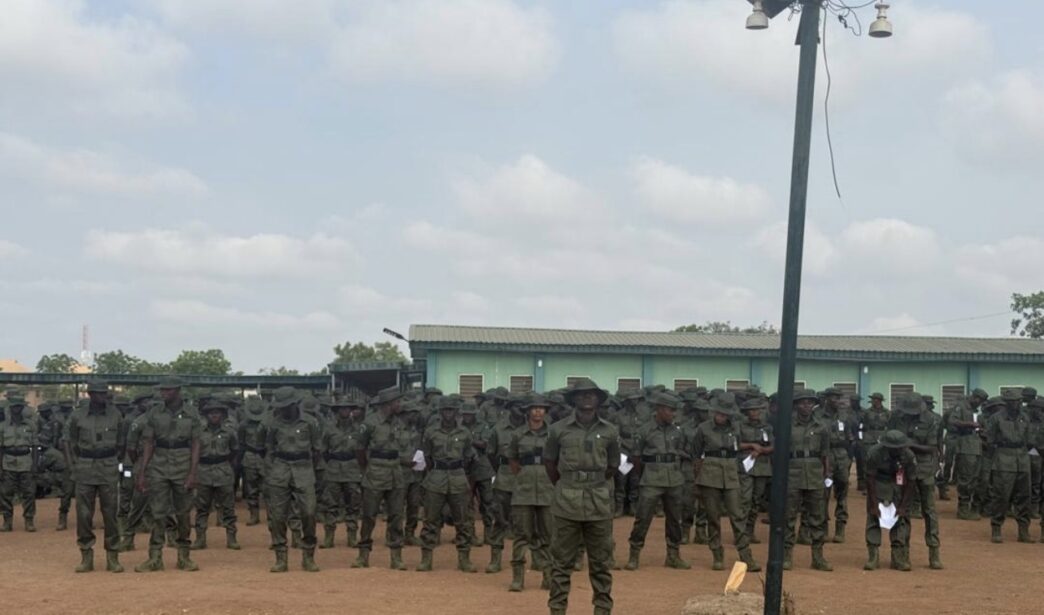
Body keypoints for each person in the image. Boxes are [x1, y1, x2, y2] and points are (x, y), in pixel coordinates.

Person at [544, 378, 620, 615]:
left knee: (601, 563)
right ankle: (557, 609)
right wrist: (569, 483)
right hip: (566, 501)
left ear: (598, 399)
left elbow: (613, 465)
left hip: (599, 501)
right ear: (573, 399)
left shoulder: (610, 430)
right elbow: (549, 463)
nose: (587, 398)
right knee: (561, 563)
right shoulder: (558, 430)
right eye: (581, 394)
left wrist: (593, 481)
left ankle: (602, 609)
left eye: (591, 394)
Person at [134, 376, 202, 573]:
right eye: (162, 390)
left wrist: (193, 472)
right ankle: (155, 557)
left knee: (183, 513)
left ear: (178, 390)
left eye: (168, 390)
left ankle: (184, 556)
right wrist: (142, 471)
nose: (163, 393)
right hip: (159, 465)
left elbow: (196, 444)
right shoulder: (154, 413)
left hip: (183, 464)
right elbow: (148, 442)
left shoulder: (192, 413)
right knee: (158, 513)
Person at [690, 393, 760, 572]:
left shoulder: (735, 428)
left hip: (730, 473)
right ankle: (717, 554)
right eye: (720, 413)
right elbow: (696, 455)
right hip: (710, 474)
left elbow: (737, 448)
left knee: (737, 515)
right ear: (714, 412)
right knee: (713, 517)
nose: (722, 416)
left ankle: (746, 555)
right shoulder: (703, 428)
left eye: (725, 414)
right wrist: (697, 480)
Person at [623, 391, 691, 571]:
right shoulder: (644, 430)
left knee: (675, 519)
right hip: (651, 478)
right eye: (670, 410)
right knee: (643, 517)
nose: (673, 414)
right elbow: (636, 458)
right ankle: (634, 554)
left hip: (674, 479)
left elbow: (681, 451)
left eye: (674, 410)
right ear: (660, 409)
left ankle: (673, 555)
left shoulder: (677, 431)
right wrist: (643, 476)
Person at [63, 380, 126, 573]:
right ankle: (86, 555)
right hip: (85, 467)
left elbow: (121, 443)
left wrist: (113, 461)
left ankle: (112, 556)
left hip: (108, 466)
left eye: (105, 393)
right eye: (99, 393)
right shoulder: (78, 415)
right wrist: (74, 465)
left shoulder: (115, 415)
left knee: (111, 513)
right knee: (83, 514)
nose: (103, 396)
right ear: (90, 394)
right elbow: (69, 442)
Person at [416, 395, 477, 573]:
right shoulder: (431, 432)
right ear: (440, 412)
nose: (448, 413)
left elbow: (469, 457)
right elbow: (427, 456)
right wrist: (436, 470)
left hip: (458, 477)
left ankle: (464, 559)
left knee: (463, 521)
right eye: (445, 410)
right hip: (436, 477)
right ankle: (426, 559)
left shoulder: (465, 433)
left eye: (451, 410)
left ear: (457, 412)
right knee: (430, 520)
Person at [354, 386, 412, 570]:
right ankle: (363, 555)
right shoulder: (370, 423)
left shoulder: (399, 423)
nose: (400, 405)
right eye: (397, 402)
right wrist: (366, 469)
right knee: (369, 515)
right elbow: (360, 449)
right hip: (375, 472)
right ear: (388, 403)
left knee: (396, 515)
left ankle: (396, 557)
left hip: (395, 472)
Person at [264, 387, 321, 572]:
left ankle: (308, 556)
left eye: (286, 406)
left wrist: (312, 472)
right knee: (278, 516)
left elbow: (317, 450)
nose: (283, 409)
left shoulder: (310, 422)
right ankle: (281, 557)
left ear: (295, 404)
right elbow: (269, 449)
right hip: (280, 469)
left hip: (304, 469)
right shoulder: (273, 424)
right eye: (281, 407)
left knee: (309, 512)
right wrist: (271, 472)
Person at [887, 392, 943, 569]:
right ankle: (901, 553)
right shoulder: (896, 418)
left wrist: (909, 445)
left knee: (929, 511)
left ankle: (934, 552)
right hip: (902, 467)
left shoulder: (931, 420)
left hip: (924, 468)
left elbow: (932, 448)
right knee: (901, 509)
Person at [507, 393, 554, 592]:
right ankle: (518, 578)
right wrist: (524, 475)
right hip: (524, 491)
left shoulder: (553, 434)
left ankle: (549, 576)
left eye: (541, 408)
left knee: (549, 536)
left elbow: (558, 460)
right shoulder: (518, 434)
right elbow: (512, 460)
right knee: (521, 535)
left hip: (547, 489)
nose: (537, 412)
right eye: (534, 408)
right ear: (527, 411)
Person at [783, 388, 832, 571]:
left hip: (814, 474)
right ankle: (786, 556)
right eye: (803, 402)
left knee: (818, 517)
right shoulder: (787, 425)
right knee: (789, 517)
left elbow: (825, 453)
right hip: (793, 473)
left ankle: (818, 557)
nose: (806, 406)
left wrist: (827, 474)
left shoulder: (821, 426)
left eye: (810, 402)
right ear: (796, 405)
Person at [862, 429, 917, 571]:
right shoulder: (874, 453)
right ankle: (873, 557)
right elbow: (870, 478)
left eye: (900, 447)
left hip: (898, 485)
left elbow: (911, 481)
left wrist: (903, 506)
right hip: (879, 483)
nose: (898, 450)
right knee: (874, 518)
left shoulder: (908, 456)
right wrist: (873, 504)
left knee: (899, 520)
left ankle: (898, 557)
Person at [191, 401, 240, 551]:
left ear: (222, 415)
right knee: (202, 508)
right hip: (204, 471)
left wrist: (226, 464)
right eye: (211, 413)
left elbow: (235, 451)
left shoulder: (229, 432)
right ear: (206, 415)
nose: (214, 415)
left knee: (228, 508)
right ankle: (200, 539)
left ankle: (231, 538)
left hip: (223, 471)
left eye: (217, 413)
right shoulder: (198, 432)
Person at [486, 393, 526, 574]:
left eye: (524, 407)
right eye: (518, 407)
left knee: (530, 522)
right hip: (504, 478)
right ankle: (495, 559)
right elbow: (491, 454)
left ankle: (534, 559)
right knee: (500, 520)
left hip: (527, 479)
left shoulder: (533, 428)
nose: (521, 410)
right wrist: (502, 469)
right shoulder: (499, 429)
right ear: (510, 408)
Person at [985, 393, 1032, 543]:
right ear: (1006, 402)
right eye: (1012, 401)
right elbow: (989, 440)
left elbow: (1030, 440)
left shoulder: (1025, 417)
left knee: (1024, 496)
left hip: (1022, 459)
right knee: (1002, 496)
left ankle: (1023, 531)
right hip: (1003, 458)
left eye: (1018, 401)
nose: (1016, 404)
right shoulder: (996, 418)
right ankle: (996, 527)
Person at [320, 395, 365, 549]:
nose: (345, 410)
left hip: (352, 469)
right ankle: (329, 537)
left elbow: (363, 450)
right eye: (342, 408)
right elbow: (323, 450)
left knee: (353, 505)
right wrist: (331, 462)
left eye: (347, 408)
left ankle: (352, 536)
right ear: (337, 410)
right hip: (334, 469)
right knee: (331, 504)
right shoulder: (329, 428)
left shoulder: (359, 429)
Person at [815, 387, 854, 543]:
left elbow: (850, 436)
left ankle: (840, 528)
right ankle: (823, 527)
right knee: (823, 493)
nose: (837, 401)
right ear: (826, 398)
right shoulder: (817, 415)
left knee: (842, 493)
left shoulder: (844, 415)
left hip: (841, 456)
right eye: (834, 398)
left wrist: (849, 457)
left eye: (839, 398)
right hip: (825, 456)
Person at [0, 394, 39, 532]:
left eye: (19, 406)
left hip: (25, 461)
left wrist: (35, 465)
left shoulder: (30, 425)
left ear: (22, 408)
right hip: (8, 462)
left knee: (29, 493)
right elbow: (1, 448)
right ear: (10, 408)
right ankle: (7, 521)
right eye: (14, 406)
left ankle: (29, 520)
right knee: (6, 493)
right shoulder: (3, 426)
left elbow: (35, 446)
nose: (16, 409)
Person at [737, 396, 773, 544]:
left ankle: (750, 531)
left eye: (757, 410)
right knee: (744, 500)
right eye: (752, 410)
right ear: (746, 412)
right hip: (745, 465)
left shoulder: (767, 427)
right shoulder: (740, 426)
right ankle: (740, 533)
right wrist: (751, 445)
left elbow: (773, 445)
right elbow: (735, 444)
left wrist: (761, 450)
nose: (755, 412)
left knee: (756, 500)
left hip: (762, 466)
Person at [949, 388, 988, 520]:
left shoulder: (975, 411)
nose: (980, 404)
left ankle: (972, 506)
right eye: (979, 401)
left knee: (976, 477)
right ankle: (963, 508)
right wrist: (969, 424)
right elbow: (952, 421)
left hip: (977, 445)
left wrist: (981, 430)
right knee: (966, 477)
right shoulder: (961, 407)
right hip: (965, 445)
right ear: (975, 397)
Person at [237, 396, 268, 527]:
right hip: (249, 457)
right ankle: (254, 515)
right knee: (251, 489)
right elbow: (241, 442)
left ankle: (272, 515)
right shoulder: (243, 425)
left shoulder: (268, 424)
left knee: (268, 488)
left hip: (265, 457)